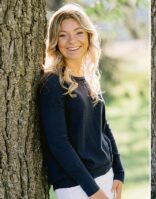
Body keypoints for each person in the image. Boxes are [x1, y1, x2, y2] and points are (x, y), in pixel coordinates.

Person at [38, 4, 124, 199]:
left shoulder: (88, 77)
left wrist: (119, 172)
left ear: (88, 36)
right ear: (55, 41)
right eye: (63, 35)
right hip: (75, 186)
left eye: (78, 33)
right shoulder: (52, 83)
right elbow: (59, 144)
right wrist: (93, 191)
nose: (72, 41)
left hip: (107, 176)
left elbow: (103, 127)